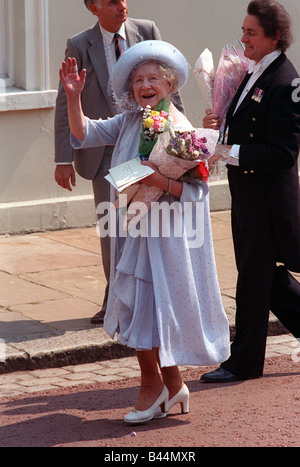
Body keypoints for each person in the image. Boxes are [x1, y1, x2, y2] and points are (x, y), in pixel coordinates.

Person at [59, 40, 230, 423]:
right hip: (133, 231)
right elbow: (84, 133)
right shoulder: (129, 121)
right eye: (138, 79)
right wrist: (73, 97)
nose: (145, 85)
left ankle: (151, 387)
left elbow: (197, 193)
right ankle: (174, 388)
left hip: (166, 238)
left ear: (168, 85)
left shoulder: (183, 130)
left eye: (153, 78)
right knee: (141, 308)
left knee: (148, 310)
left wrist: (159, 179)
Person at [201, 0, 300, 383]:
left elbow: (283, 152)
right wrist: (217, 126)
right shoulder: (252, 71)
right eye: (243, 31)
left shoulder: (287, 81)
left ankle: (242, 363)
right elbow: (243, 126)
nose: (244, 38)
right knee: (263, 277)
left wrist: (226, 151)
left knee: (253, 281)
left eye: (251, 33)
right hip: (247, 195)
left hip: (268, 201)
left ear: (274, 37)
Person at [54, 0, 164, 325]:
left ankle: (144, 292)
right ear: (93, 7)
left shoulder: (147, 31)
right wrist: (63, 157)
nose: (122, 5)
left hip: (147, 149)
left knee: (145, 224)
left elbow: (167, 89)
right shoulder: (79, 44)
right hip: (104, 153)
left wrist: (177, 130)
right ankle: (113, 293)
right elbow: (67, 104)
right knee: (111, 226)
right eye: (113, 1)